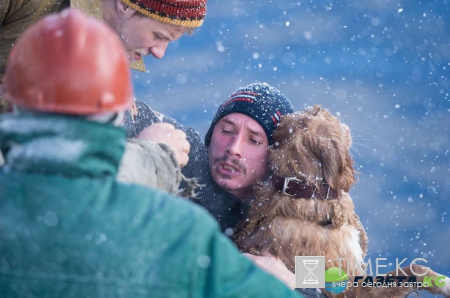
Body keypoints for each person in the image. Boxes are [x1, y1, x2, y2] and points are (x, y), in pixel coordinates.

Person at [0, 10, 304, 298]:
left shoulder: (302, 205)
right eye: (226, 130)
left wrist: (301, 279)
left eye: (254, 141)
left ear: (275, 159)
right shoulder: (183, 158)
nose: (233, 149)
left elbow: (348, 273)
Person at [0, 0, 208, 193]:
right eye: (159, 36)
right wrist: (148, 159)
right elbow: (68, 188)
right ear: (125, 6)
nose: (159, 52)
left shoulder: (112, 48)